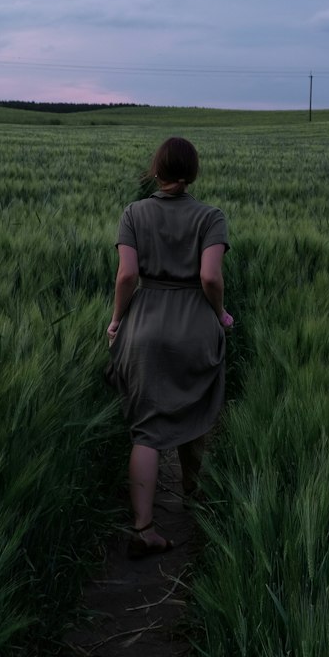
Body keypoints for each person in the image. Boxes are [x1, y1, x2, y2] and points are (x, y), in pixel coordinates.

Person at [106, 136, 234, 558]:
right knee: (196, 417)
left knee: (146, 431)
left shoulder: (133, 213)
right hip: (194, 324)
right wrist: (220, 316)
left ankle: (143, 528)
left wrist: (117, 320)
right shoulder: (210, 217)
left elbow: (126, 277)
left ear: (155, 170)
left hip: (145, 324)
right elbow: (211, 279)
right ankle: (195, 505)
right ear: (192, 172)